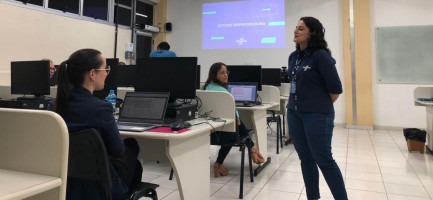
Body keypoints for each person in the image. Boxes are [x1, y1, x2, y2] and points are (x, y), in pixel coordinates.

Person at [54, 49, 143, 200]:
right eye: (105, 69)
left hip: (69, 184)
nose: (107, 73)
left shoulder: (55, 106)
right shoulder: (100, 108)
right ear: (92, 74)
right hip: (100, 187)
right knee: (131, 147)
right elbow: (117, 150)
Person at [287, 17, 348, 200]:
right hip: (294, 112)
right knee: (305, 159)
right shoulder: (294, 56)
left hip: (317, 115)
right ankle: (312, 197)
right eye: (295, 27)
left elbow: (335, 90)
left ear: (312, 32)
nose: (296, 31)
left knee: (324, 160)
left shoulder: (320, 55)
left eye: (301, 28)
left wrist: (317, 105)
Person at [203, 62, 265, 177]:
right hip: (225, 136)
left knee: (237, 126)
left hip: (209, 134)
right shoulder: (224, 93)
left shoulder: (206, 88)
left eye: (227, 72)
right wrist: (237, 119)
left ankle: (251, 148)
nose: (226, 75)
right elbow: (234, 115)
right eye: (222, 73)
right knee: (238, 127)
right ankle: (253, 149)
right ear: (214, 74)